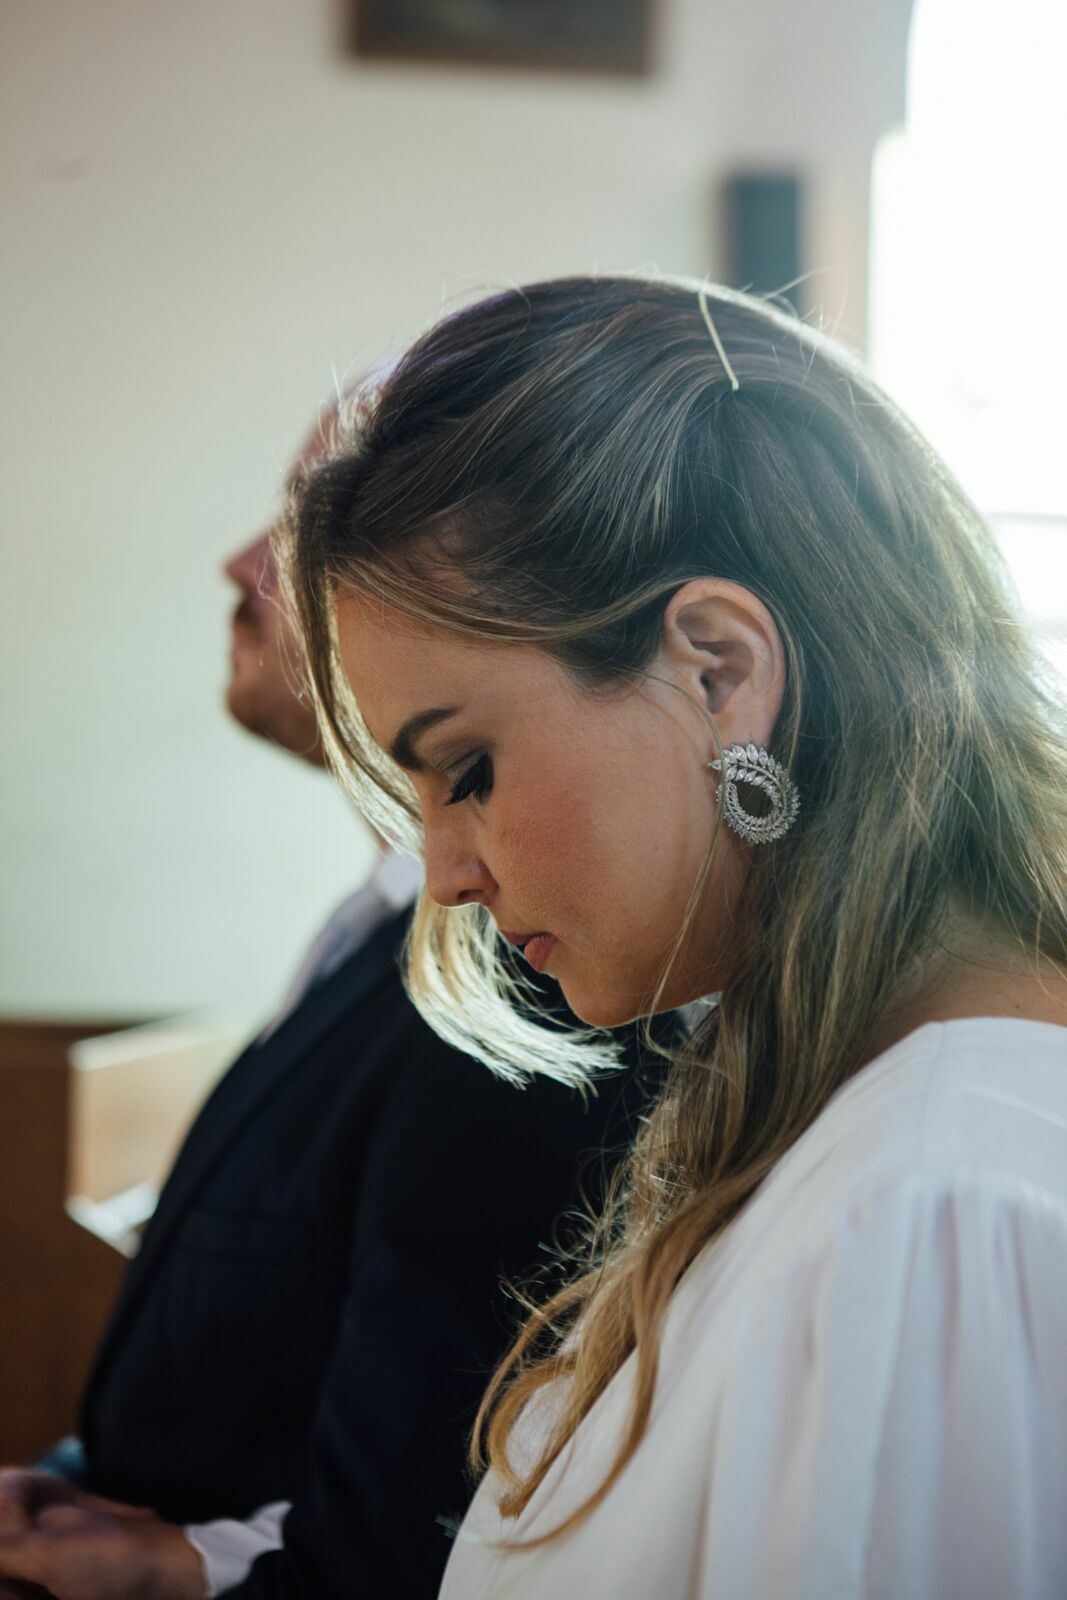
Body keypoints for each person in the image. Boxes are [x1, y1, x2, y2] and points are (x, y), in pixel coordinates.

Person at [274, 276, 1065, 1598]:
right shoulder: (854, 1132)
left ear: (716, 671)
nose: (446, 877)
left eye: (467, 769)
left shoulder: (933, 1208)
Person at [0, 407, 663, 1600]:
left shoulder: (527, 974)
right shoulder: (379, 918)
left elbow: (426, 1503)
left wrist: (190, 1563)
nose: (242, 565)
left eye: (305, 523)